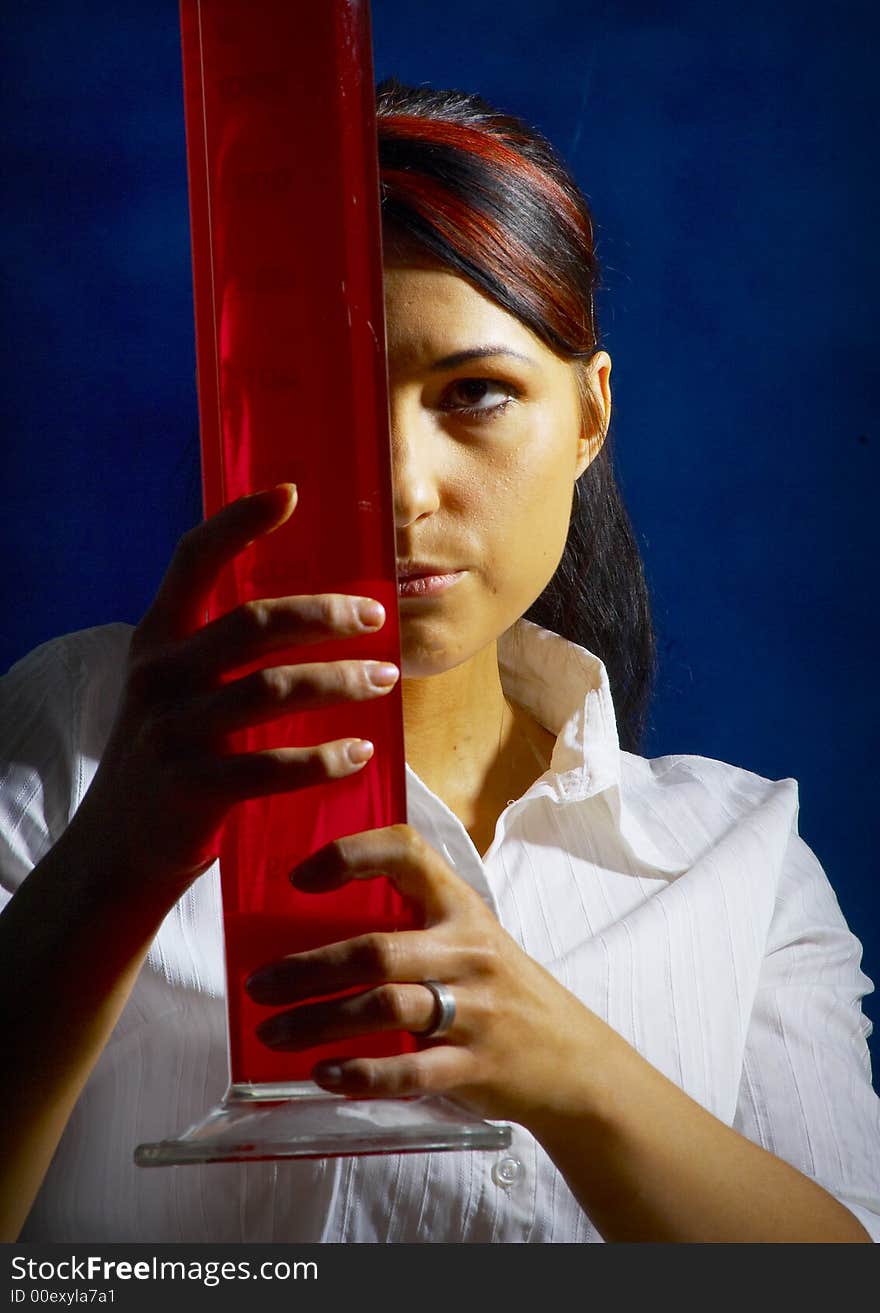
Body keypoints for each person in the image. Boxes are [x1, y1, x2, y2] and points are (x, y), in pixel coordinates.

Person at [1, 78, 878, 1244]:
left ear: (588, 415)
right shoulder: (82, 740)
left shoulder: (740, 862)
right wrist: (118, 856)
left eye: (475, 395)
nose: (400, 492)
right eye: (319, 399)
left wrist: (567, 1065)